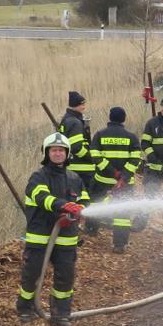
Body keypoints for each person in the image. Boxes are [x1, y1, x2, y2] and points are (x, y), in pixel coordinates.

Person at [18, 132, 89, 326]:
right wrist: (64, 206)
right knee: (32, 274)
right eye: (53, 150)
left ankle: (61, 313)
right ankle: (26, 309)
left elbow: (83, 198)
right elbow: (41, 197)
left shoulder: (74, 178)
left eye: (61, 150)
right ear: (46, 153)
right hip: (40, 236)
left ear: (67, 154)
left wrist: (82, 208)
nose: (57, 153)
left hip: (66, 237)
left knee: (65, 276)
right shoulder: (38, 177)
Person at [89, 106, 144, 252]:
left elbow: (95, 156)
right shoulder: (131, 137)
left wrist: (112, 172)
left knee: (96, 206)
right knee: (123, 214)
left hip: (102, 181)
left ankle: (91, 232)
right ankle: (119, 245)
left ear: (110, 118)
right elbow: (135, 160)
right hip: (125, 184)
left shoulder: (100, 135)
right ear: (123, 119)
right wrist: (123, 176)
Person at [58, 91, 98, 226]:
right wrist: (90, 157)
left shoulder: (67, 119)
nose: (84, 106)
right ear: (75, 106)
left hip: (72, 167)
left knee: (73, 197)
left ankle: (75, 223)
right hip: (81, 168)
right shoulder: (75, 122)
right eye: (82, 104)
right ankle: (83, 225)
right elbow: (76, 147)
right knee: (85, 196)